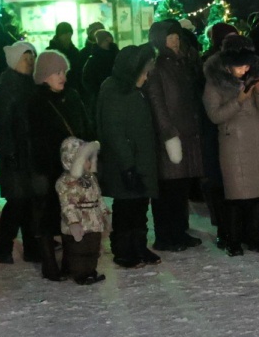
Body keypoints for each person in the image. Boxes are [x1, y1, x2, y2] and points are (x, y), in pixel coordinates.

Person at [202, 35, 259, 255]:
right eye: (239, 66)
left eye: (247, 65)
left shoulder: (252, 78)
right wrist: (239, 100)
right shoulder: (215, 83)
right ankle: (232, 238)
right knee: (236, 193)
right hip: (233, 143)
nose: (244, 69)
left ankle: (254, 236)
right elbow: (215, 115)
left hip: (258, 141)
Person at [27, 49, 90, 281]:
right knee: (47, 215)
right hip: (48, 168)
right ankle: (49, 263)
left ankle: (69, 262)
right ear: (44, 75)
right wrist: (41, 168)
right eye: (56, 72)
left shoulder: (71, 96)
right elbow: (31, 140)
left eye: (63, 71)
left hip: (74, 167)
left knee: (71, 213)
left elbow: (84, 126)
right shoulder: (35, 102)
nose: (62, 76)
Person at [95, 44, 160, 270]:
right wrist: (128, 166)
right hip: (125, 162)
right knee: (126, 208)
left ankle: (139, 245)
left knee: (140, 205)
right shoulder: (114, 90)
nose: (147, 75)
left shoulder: (132, 89)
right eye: (143, 71)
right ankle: (123, 249)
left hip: (140, 159)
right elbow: (114, 132)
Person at [142, 20, 203, 252]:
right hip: (172, 136)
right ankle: (166, 235)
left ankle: (179, 231)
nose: (175, 40)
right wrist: (168, 133)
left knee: (180, 187)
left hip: (186, 132)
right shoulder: (157, 66)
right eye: (169, 36)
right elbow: (157, 102)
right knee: (168, 188)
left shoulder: (183, 62)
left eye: (176, 35)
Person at [0, 40, 39, 265]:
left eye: (32, 58)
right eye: (25, 58)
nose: (29, 62)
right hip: (16, 155)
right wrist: (8, 154)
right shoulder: (6, 88)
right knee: (17, 203)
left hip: (32, 153)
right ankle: (4, 246)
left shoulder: (33, 84)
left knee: (31, 203)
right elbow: (2, 125)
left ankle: (31, 247)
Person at [55, 137, 107, 284]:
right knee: (78, 250)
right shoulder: (65, 182)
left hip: (94, 222)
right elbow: (67, 204)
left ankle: (90, 271)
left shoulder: (90, 178)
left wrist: (103, 211)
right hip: (78, 223)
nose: (89, 163)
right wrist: (73, 221)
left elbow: (98, 197)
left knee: (93, 249)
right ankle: (80, 273)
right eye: (85, 160)